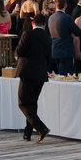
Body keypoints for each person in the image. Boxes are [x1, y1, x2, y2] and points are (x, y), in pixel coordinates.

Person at [16, 8, 52, 141]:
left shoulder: (27, 34)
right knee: (32, 103)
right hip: (41, 73)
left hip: (27, 72)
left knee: (23, 103)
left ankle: (41, 127)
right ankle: (27, 132)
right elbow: (49, 57)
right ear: (45, 24)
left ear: (32, 23)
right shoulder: (47, 38)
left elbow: (20, 51)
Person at [48, 0, 81, 76]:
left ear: (56, 5)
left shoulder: (51, 18)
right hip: (66, 51)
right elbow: (78, 32)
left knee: (56, 77)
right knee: (65, 77)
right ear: (66, 5)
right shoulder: (67, 18)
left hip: (55, 50)